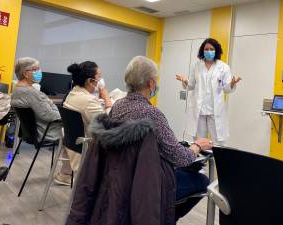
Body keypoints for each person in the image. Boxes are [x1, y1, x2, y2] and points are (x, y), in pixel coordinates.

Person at [109, 56, 213, 220]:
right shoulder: (152, 114)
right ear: (151, 83)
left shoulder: (117, 106)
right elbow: (180, 157)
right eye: (156, 80)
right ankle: (164, 217)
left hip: (120, 178)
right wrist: (197, 146)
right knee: (202, 180)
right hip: (148, 184)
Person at [11, 57, 72, 185]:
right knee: (78, 131)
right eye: (36, 69)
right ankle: (66, 173)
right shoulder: (31, 93)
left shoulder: (18, 89)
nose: (39, 72)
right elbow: (50, 115)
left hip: (36, 129)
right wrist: (67, 115)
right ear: (25, 73)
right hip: (47, 130)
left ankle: (67, 171)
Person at [176, 38, 242, 146]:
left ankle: (216, 162)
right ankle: (201, 163)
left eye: (212, 49)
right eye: (206, 49)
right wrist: (185, 81)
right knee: (199, 143)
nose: (209, 51)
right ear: (203, 50)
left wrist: (232, 83)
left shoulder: (223, 67)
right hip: (199, 110)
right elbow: (191, 85)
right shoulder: (196, 66)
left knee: (218, 142)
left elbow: (226, 89)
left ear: (216, 51)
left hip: (215, 111)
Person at [63, 61, 112, 172]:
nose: (101, 80)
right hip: (89, 148)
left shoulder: (72, 94)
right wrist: (107, 99)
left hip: (74, 146)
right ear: (90, 81)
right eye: (99, 77)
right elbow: (108, 125)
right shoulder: (88, 101)